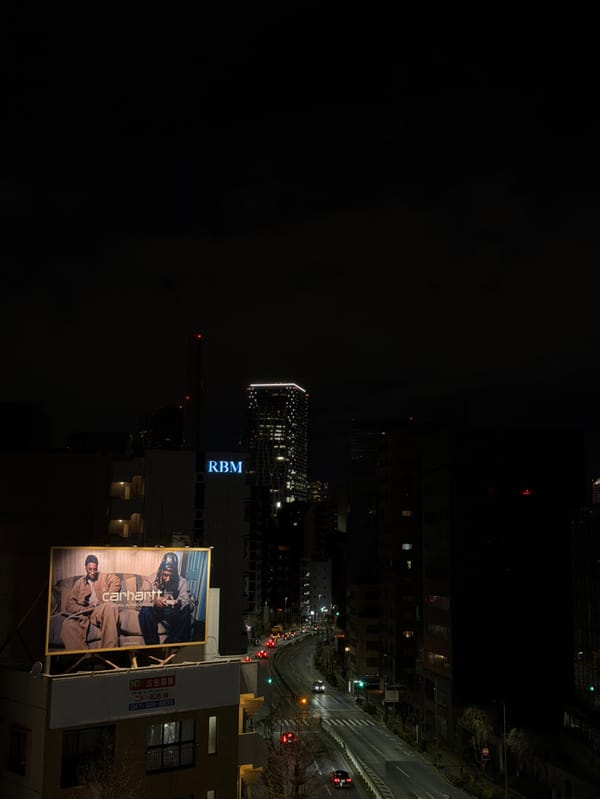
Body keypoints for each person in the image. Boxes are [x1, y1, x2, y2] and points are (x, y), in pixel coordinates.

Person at [61, 554, 121, 651]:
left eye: (95, 569)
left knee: (110, 606)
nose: (92, 572)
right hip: (84, 613)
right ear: (85, 568)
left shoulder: (104, 576)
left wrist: (107, 597)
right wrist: (81, 609)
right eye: (90, 569)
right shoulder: (79, 583)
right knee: (68, 625)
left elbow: (116, 581)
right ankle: (84, 656)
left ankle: (109, 652)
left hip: (99, 610)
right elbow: (69, 604)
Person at [138, 552, 193, 645]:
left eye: (171, 576)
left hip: (172, 612)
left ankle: (171, 642)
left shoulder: (182, 582)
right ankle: (153, 645)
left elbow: (187, 599)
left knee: (186, 612)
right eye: (165, 575)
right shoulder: (150, 579)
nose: (167, 579)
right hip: (156, 611)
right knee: (145, 611)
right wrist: (155, 600)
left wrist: (178, 602)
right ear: (161, 571)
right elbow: (141, 597)